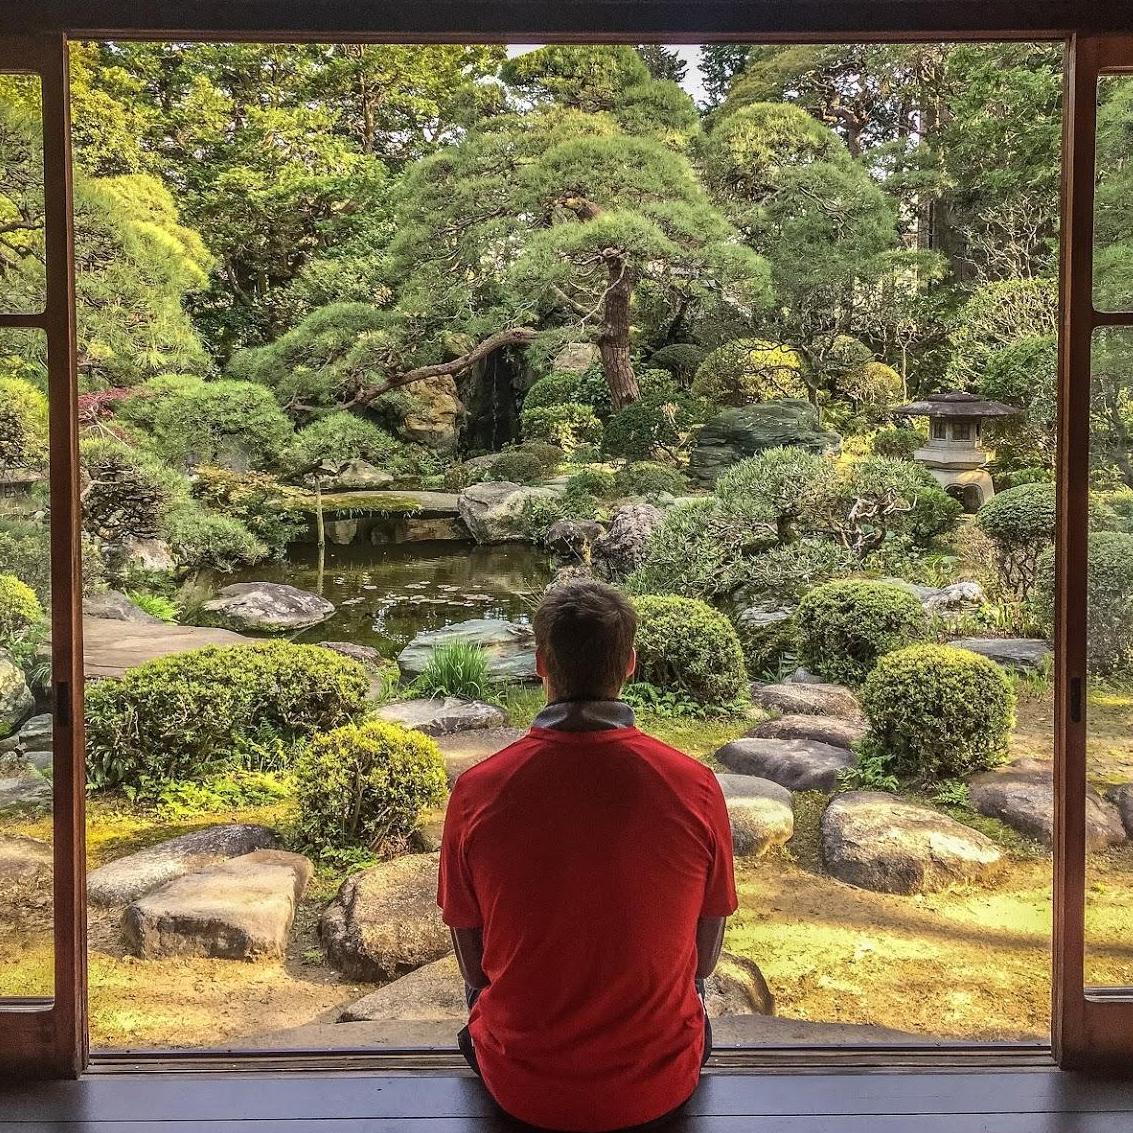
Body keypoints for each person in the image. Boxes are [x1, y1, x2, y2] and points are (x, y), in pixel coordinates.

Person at [438, 579, 738, 1133]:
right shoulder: (691, 785)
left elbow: (473, 957)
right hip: (659, 1082)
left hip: (521, 1084)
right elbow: (707, 941)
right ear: (629, 664)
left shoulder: (480, 790)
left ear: (539, 663)